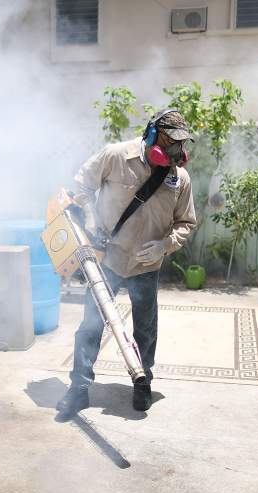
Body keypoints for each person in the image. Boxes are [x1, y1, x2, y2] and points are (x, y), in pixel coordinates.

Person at [56, 109, 197, 419]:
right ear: (150, 136)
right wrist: (90, 215)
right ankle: (78, 388)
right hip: (108, 259)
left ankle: (142, 382)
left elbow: (186, 222)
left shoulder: (179, 177)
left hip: (146, 266)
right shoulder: (116, 156)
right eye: (169, 142)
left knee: (145, 329)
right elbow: (82, 184)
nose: (176, 151)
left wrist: (165, 245)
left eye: (180, 144)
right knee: (92, 326)